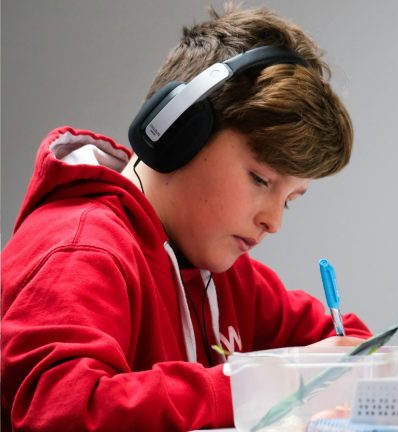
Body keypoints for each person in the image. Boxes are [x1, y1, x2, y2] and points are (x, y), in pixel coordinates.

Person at [0, 5, 371, 431]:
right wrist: (261, 384)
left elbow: (346, 344)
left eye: (289, 200)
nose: (274, 222)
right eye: (261, 179)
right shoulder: (79, 250)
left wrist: (352, 371)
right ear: (179, 132)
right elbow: (63, 412)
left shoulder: (226, 276)